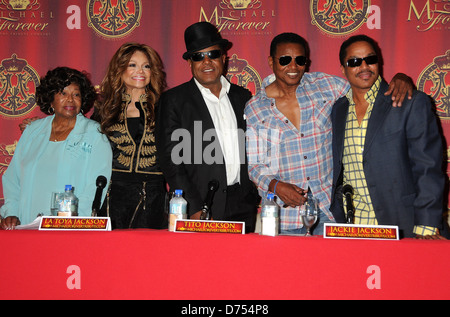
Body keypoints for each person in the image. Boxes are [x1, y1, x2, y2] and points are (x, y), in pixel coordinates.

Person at [245, 32, 413, 235]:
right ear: (271, 61)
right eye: (285, 60)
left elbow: (366, 87)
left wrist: (401, 79)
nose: (293, 66)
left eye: (300, 60)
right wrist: (275, 185)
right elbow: (255, 166)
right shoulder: (255, 108)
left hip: (328, 212)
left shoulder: (325, 86)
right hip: (282, 217)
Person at [330, 35, 446, 239]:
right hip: (354, 228)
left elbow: (428, 167)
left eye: (370, 59)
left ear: (379, 62)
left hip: (404, 224)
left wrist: (426, 227)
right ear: (343, 68)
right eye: (355, 61)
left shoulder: (409, 102)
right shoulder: (339, 109)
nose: (364, 66)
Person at [155, 22, 259, 233]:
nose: (206, 62)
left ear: (224, 58)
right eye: (198, 56)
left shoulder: (243, 97)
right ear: (190, 63)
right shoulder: (174, 100)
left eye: (213, 54)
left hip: (243, 204)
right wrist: (192, 205)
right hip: (201, 204)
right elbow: (171, 160)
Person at [0, 67, 112, 229]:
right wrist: (12, 213)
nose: (70, 100)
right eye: (63, 93)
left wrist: (71, 223)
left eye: (76, 94)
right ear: (51, 99)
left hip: (68, 229)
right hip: (25, 226)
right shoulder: (33, 131)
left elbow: (94, 190)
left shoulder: (94, 134)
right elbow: (13, 179)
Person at [92, 42, 168, 229]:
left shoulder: (166, 107)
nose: (140, 71)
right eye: (132, 65)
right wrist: (40, 126)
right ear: (120, 69)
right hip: (112, 196)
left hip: (153, 197)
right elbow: (82, 136)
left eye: (146, 66)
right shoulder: (105, 109)